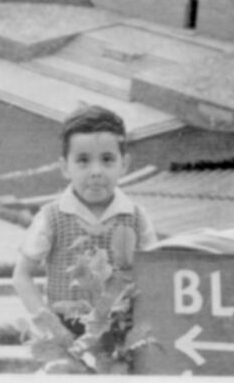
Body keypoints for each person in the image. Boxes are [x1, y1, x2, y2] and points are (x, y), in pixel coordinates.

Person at [12, 105, 159, 337]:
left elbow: (155, 275)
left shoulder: (137, 217)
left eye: (107, 159)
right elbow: (22, 275)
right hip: (66, 334)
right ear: (64, 167)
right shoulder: (51, 217)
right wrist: (52, 328)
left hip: (122, 333)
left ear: (125, 164)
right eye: (83, 160)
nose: (96, 171)